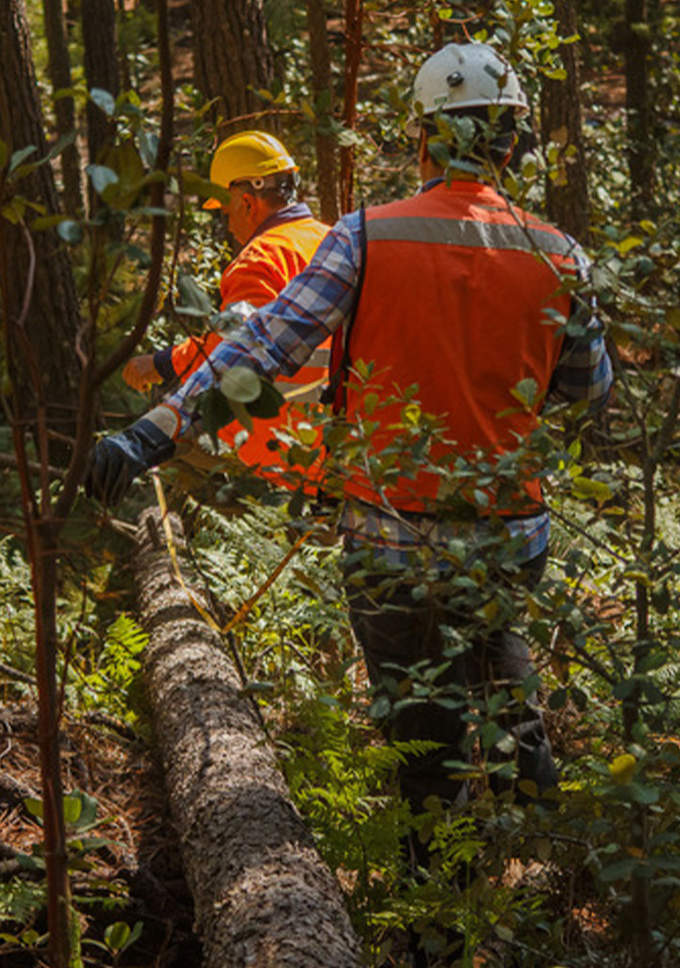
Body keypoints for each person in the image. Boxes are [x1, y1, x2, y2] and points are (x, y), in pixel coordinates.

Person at [88, 42, 612, 965]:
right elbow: (588, 388)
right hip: (507, 535)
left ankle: (432, 923)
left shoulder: (367, 235)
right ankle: (557, 885)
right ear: (513, 142)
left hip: (391, 536)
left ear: (422, 141)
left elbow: (260, 357)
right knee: (503, 676)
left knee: (420, 731)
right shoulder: (559, 251)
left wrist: (146, 435)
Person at [122, 130, 331, 491]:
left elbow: (229, 351)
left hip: (278, 450)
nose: (229, 226)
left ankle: (192, 545)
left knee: (175, 455)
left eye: (226, 211)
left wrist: (160, 364)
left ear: (249, 203)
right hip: (342, 443)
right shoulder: (333, 239)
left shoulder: (259, 260)